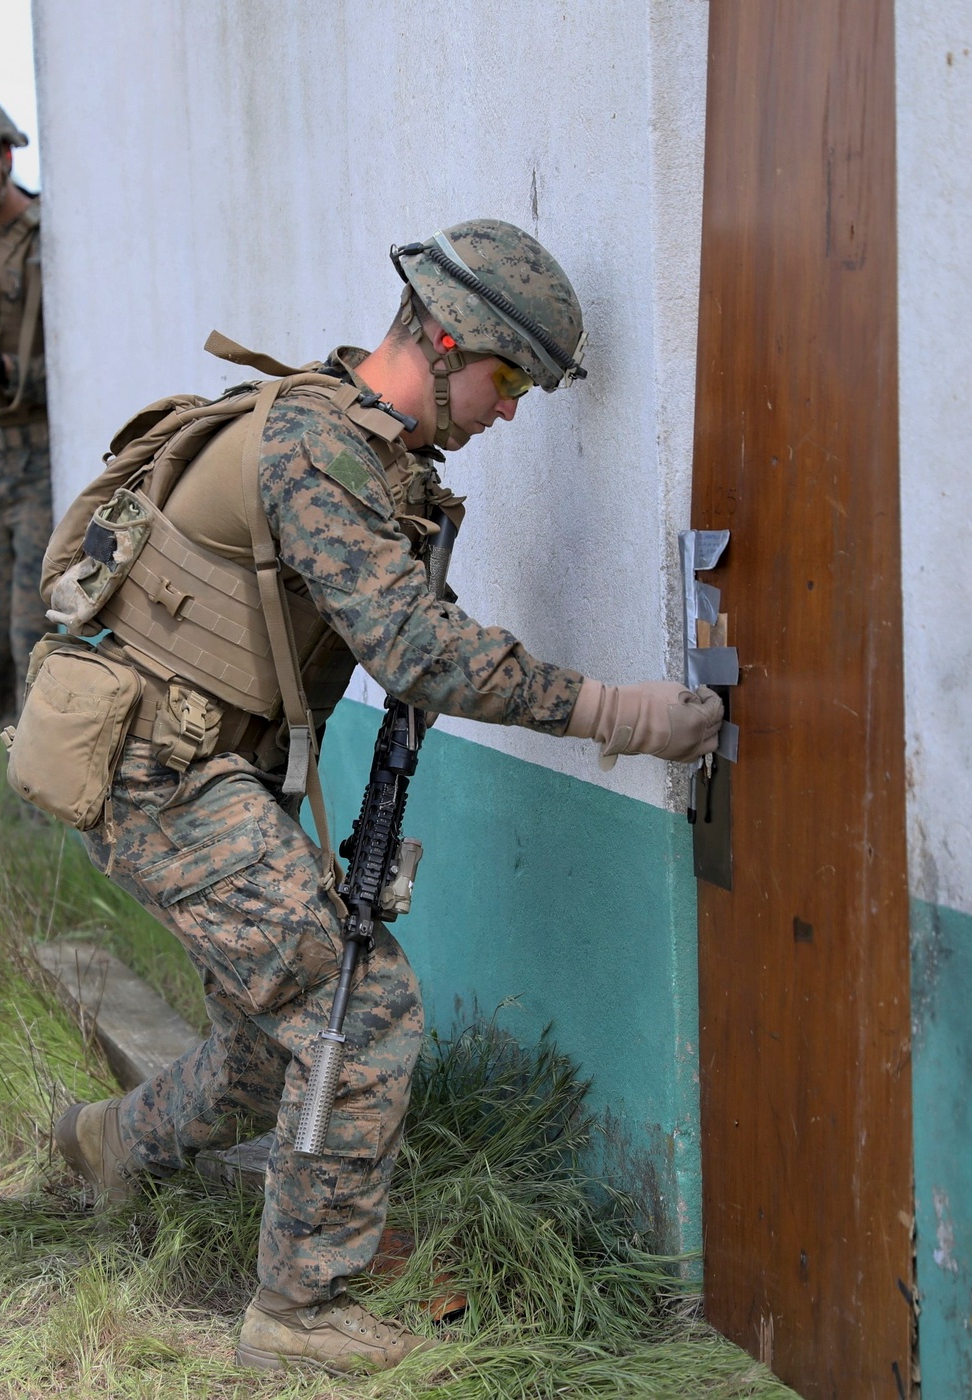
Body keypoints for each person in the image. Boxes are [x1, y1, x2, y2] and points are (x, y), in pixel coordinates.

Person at [49, 220, 723, 1374]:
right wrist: (620, 713)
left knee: (274, 1047)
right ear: (444, 339)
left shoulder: (373, 452)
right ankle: (299, 1310)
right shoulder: (317, 446)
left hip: (195, 759)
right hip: (152, 767)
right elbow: (420, 654)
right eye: (505, 379)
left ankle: (108, 1143)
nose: (509, 411)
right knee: (359, 1012)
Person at [0, 96, 50, 728]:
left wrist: (3, 371)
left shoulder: (41, 239)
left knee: (26, 632)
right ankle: (14, 759)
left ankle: (39, 782)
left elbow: (71, 365)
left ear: (4, 155)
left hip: (34, 455)